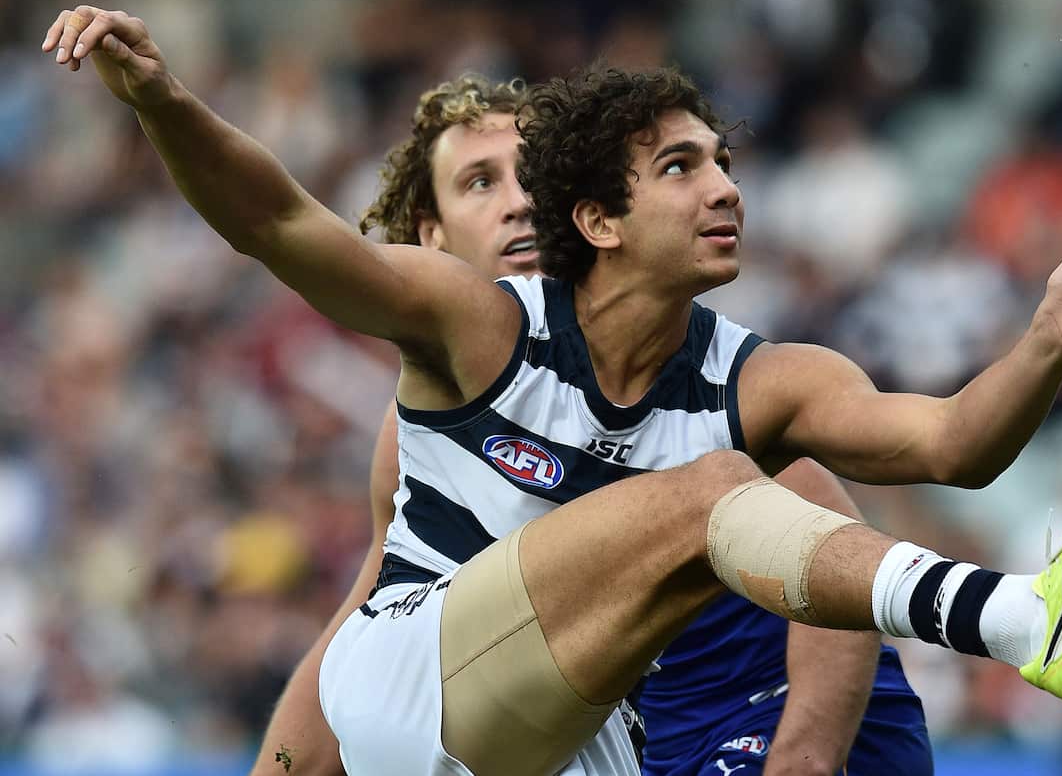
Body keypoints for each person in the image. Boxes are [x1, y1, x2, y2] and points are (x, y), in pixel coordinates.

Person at [45, 6, 1062, 776]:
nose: (724, 187)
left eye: (724, 162)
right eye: (681, 167)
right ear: (594, 218)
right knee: (711, 490)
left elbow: (949, 443)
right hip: (415, 686)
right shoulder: (476, 326)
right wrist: (163, 102)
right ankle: (1025, 614)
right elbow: (277, 221)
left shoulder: (759, 374)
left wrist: (1045, 340)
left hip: (579, 739)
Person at [246, 73, 930, 776]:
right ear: (431, 237)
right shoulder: (422, 428)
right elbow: (370, 624)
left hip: (785, 715)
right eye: (481, 183)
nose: (519, 202)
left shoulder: (669, 360)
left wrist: (804, 754)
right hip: (642, 741)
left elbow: (840, 544)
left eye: (530, 174)